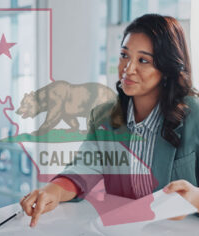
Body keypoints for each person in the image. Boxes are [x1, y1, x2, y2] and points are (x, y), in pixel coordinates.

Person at [20, 13, 199, 227]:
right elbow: (84, 169)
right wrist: (53, 191)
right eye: (124, 55)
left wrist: (195, 198)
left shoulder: (194, 116)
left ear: (167, 69)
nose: (128, 68)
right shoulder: (104, 116)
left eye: (143, 60)